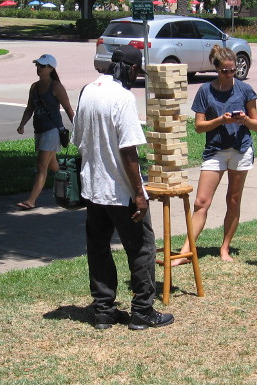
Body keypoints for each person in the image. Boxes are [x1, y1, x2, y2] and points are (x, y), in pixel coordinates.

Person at [71, 45, 174, 331]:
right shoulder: (123, 98)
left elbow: (78, 140)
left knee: (99, 248)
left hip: (93, 190)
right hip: (121, 192)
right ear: (130, 69)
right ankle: (142, 311)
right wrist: (139, 194)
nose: (137, 75)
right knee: (142, 248)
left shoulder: (87, 91)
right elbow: (129, 151)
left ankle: (103, 310)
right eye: (137, 70)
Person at [172, 45, 257, 265]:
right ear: (216, 69)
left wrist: (244, 120)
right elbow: (199, 127)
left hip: (241, 149)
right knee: (201, 201)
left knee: (233, 199)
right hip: (215, 151)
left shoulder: (245, 90)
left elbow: (256, 124)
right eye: (225, 71)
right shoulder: (205, 91)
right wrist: (221, 120)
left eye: (233, 71)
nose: (229, 75)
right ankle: (186, 251)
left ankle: (225, 248)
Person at [16, 54, 74, 210]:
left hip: (52, 130)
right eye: (37, 65)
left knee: (41, 166)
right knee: (53, 166)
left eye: (42, 66)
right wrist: (22, 124)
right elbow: (30, 107)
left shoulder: (56, 87)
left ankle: (31, 200)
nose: (38, 68)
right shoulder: (34, 87)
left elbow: (68, 108)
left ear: (51, 68)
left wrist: (78, 127)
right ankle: (74, 183)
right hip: (40, 130)